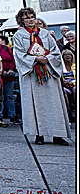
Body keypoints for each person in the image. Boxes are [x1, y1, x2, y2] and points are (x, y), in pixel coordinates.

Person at [12, 8, 71, 145]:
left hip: (48, 72)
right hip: (32, 74)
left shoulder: (45, 34)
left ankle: (57, 134)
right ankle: (39, 134)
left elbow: (56, 52)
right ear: (21, 20)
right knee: (35, 105)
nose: (31, 20)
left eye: (32, 17)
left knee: (54, 104)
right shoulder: (19, 36)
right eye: (27, 18)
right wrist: (35, 59)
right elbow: (19, 55)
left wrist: (47, 58)